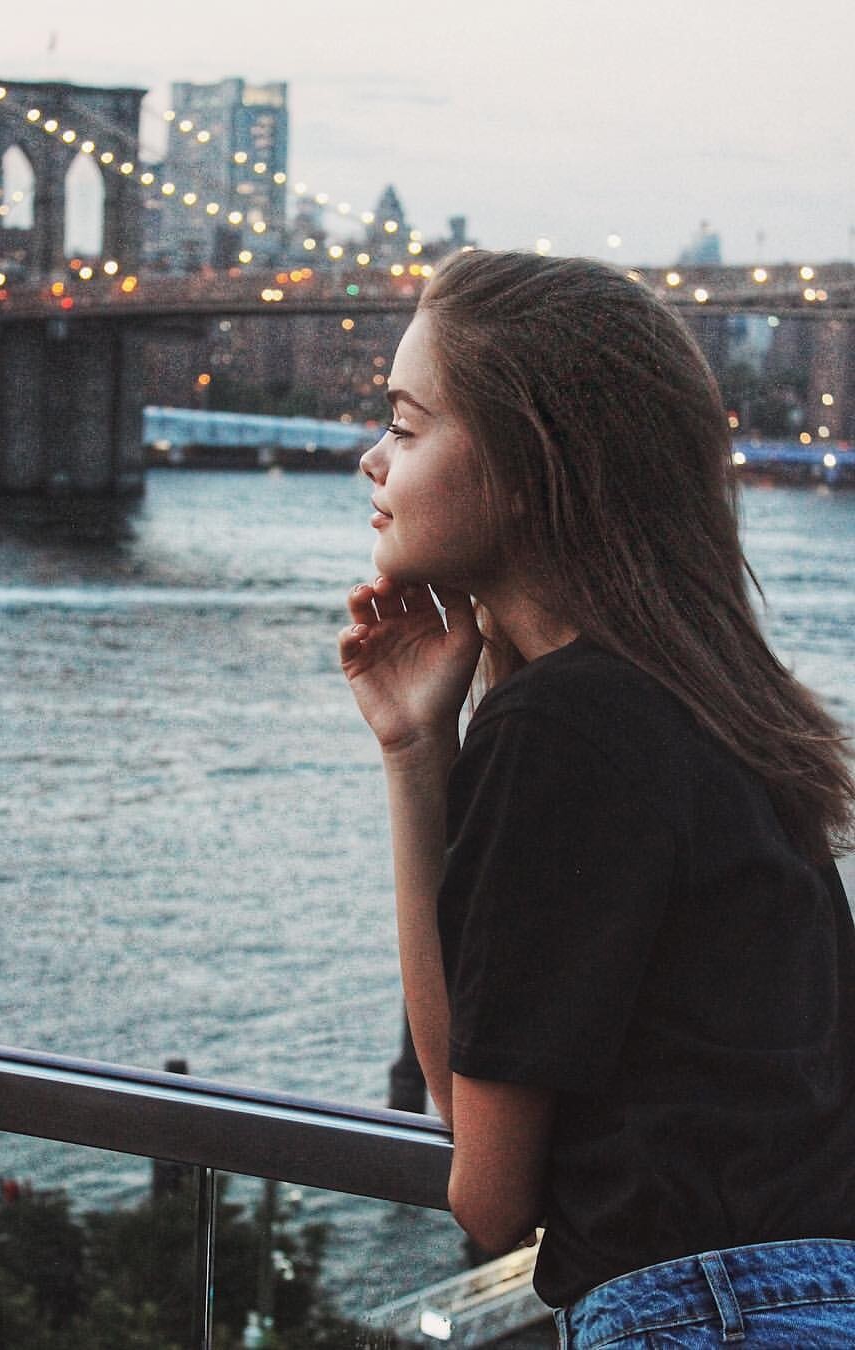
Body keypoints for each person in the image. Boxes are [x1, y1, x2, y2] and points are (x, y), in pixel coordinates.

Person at [339, 249, 855, 1347]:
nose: (371, 458)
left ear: (528, 466)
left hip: (703, 1319)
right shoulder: (722, 709)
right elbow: (466, 1094)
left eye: (406, 424)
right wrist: (416, 751)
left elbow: (489, 1196)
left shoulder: (561, 729)